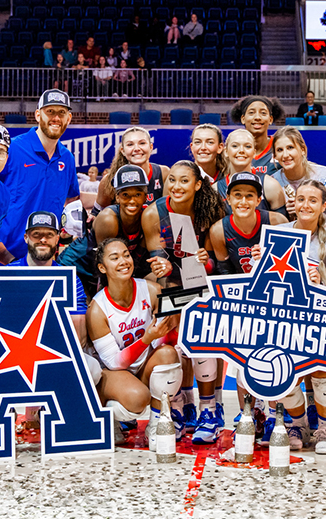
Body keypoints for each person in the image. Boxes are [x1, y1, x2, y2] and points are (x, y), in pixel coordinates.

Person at [0, 211, 91, 421]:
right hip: (8, 352)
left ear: (58, 238)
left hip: (51, 351)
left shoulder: (69, 280)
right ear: (26, 237)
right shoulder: (3, 276)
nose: (43, 239)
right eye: (36, 234)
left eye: (49, 234)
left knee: (89, 367)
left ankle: (52, 413)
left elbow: (79, 334)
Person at [142, 160, 225, 442]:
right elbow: (160, 263)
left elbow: (218, 262)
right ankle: (177, 406)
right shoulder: (154, 213)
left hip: (205, 284)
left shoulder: (212, 211)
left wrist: (206, 263)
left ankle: (209, 410)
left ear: (198, 185)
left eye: (184, 181)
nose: (176, 186)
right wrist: (165, 269)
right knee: (170, 329)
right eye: (172, 180)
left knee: (203, 333)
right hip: (172, 285)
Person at [272, 180, 326, 454]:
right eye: (301, 199)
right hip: (281, 321)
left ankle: (325, 428)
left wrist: (322, 287)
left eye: (313, 200)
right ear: (293, 203)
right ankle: (298, 424)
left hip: (319, 324)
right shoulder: (277, 235)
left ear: (324, 206)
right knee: (282, 370)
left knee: (322, 368)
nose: (305, 205)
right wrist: (260, 263)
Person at [210, 172, 289, 434]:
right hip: (242, 301)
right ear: (228, 198)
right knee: (241, 360)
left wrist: (268, 258)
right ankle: (249, 412)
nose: (243, 200)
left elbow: (292, 272)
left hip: (277, 301)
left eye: (249, 196)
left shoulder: (277, 221)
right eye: (237, 195)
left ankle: (276, 412)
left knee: (275, 359)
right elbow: (223, 275)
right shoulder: (219, 230)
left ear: (258, 200)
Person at [86, 237, 183, 450]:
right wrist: (147, 338)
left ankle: (157, 424)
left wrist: (169, 326)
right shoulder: (97, 309)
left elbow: (166, 338)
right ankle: (104, 414)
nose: (123, 261)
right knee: (137, 399)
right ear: (102, 267)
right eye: (114, 258)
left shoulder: (150, 290)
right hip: (113, 372)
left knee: (168, 354)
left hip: (142, 363)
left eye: (126, 255)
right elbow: (114, 362)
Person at [0, 89, 79, 263]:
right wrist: (6, 257)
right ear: (38, 115)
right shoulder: (11, 149)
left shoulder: (67, 158)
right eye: (50, 111)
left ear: (69, 118)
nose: (56, 118)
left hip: (42, 260)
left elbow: (72, 198)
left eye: (62, 112)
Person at [59, 164, 151, 298]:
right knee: (84, 312)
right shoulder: (109, 219)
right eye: (125, 195)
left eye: (137, 194)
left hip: (98, 270)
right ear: (117, 197)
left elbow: (139, 260)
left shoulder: (147, 217)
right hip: (76, 266)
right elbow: (104, 265)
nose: (132, 200)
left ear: (145, 197)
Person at [97, 126, 169, 215]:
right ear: (123, 151)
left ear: (151, 147)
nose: (137, 148)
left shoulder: (164, 173)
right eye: (130, 144)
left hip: (155, 228)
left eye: (142, 143)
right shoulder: (109, 179)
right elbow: (98, 215)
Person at [215, 129, 287, 217]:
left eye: (247, 146)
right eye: (235, 146)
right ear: (226, 152)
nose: (241, 150)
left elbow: (282, 226)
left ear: (254, 152)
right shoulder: (215, 190)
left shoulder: (270, 185)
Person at [270, 126, 326, 216]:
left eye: (290, 147)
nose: (285, 155)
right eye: (280, 150)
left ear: (302, 149)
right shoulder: (273, 182)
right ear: (274, 155)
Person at [229, 95, 285, 175]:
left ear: (270, 119)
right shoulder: (231, 151)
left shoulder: (281, 147)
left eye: (263, 113)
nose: (257, 117)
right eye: (251, 113)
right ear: (243, 119)